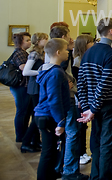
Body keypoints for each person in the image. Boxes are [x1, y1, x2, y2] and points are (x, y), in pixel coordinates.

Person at [77, 18, 112, 180]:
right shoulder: (111, 54)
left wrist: (88, 107)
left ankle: (95, 176)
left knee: (96, 141)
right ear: (110, 31)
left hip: (93, 106)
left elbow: (81, 81)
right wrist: (93, 109)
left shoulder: (89, 52)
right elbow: (105, 83)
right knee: (107, 143)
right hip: (108, 104)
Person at [50, 25, 87, 180]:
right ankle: (70, 171)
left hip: (65, 97)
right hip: (68, 97)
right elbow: (62, 72)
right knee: (72, 133)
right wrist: (68, 82)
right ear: (63, 37)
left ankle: (60, 166)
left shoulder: (51, 51)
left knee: (66, 134)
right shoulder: (61, 58)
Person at [34, 38, 71, 180]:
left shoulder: (49, 69)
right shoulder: (56, 72)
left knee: (52, 152)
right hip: (49, 116)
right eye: (66, 49)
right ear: (58, 52)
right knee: (48, 153)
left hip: (46, 115)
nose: (68, 52)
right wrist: (60, 122)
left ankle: (51, 174)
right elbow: (54, 100)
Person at [20, 32, 48, 153]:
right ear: (38, 41)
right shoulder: (34, 54)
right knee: (37, 116)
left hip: (38, 86)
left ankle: (35, 141)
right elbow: (26, 71)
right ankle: (26, 142)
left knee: (36, 115)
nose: (47, 40)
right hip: (34, 87)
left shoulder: (42, 52)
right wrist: (41, 72)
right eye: (44, 39)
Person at [72, 35, 94, 166]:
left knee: (83, 126)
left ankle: (83, 151)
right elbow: (78, 83)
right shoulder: (77, 61)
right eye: (90, 42)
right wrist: (80, 98)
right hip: (80, 98)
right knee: (80, 126)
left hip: (84, 97)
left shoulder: (85, 58)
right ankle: (80, 153)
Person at [10, 32, 32, 144]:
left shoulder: (23, 52)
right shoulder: (20, 53)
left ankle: (23, 134)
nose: (30, 42)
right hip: (20, 86)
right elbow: (23, 68)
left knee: (24, 111)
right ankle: (20, 135)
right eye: (27, 40)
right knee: (22, 111)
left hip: (22, 86)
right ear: (21, 42)